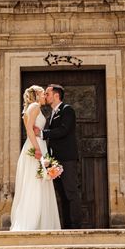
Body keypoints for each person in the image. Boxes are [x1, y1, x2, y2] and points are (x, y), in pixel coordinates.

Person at [10, 85, 61, 231]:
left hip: (38, 144)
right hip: (35, 147)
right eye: (43, 93)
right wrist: (37, 149)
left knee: (39, 181)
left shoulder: (34, 107)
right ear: (37, 94)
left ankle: (40, 221)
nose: (45, 95)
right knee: (35, 182)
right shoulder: (34, 106)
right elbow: (29, 129)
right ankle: (33, 222)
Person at [38, 84, 82, 229]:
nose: (45, 95)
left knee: (71, 192)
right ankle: (67, 227)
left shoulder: (67, 110)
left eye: (47, 93)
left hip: (67, 158)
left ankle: (76, 227)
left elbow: (64, 130)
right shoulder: (51, 115)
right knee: (61, 194)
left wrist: (44, 133)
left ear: (56, 95)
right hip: (54, 160)